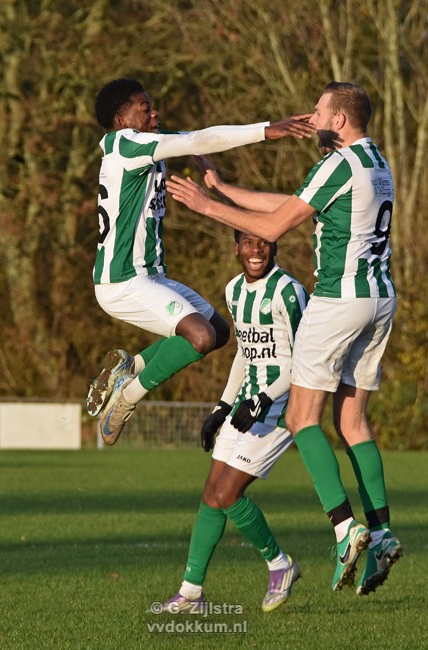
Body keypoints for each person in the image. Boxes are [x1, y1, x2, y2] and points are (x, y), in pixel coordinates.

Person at [167, 82, 403, 595]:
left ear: (339, 120)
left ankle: (345, 530)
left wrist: (207, 207)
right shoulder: (376, 162)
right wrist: (226, 190)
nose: (311, 118)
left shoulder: (338, 163)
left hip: (339, 299)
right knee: (353, 421)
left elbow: (274, 226)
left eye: (318, 111)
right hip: (380, 298)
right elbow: (294, 205)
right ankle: (382, 533)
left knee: (300, 418)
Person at [86, 77, 315, 447]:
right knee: (200, 337)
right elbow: (198, 139)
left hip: (149, 276)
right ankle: (127, 398)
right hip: (122, 281)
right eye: (145, 108)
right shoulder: (127, 144)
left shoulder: (141, 142)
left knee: (219, 332)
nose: (154, 112)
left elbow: (199, 138)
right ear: (121, 120)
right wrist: (267, 130)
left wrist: (209, 151)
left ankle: (131, 367)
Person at [161, 230, 308, 614]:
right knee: (212, 494)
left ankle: (280, 565)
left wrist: (264, 398)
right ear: (236, 248)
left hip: (280, 408)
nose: (256, 250)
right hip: (246, 404)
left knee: (227, 494)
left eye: (264, 243)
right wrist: (222, 406)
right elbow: (245, 352)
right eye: (248, 243)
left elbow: (304, 358)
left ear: (274, 247)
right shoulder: (234, 290)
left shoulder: (289, 291)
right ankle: (191, 591)